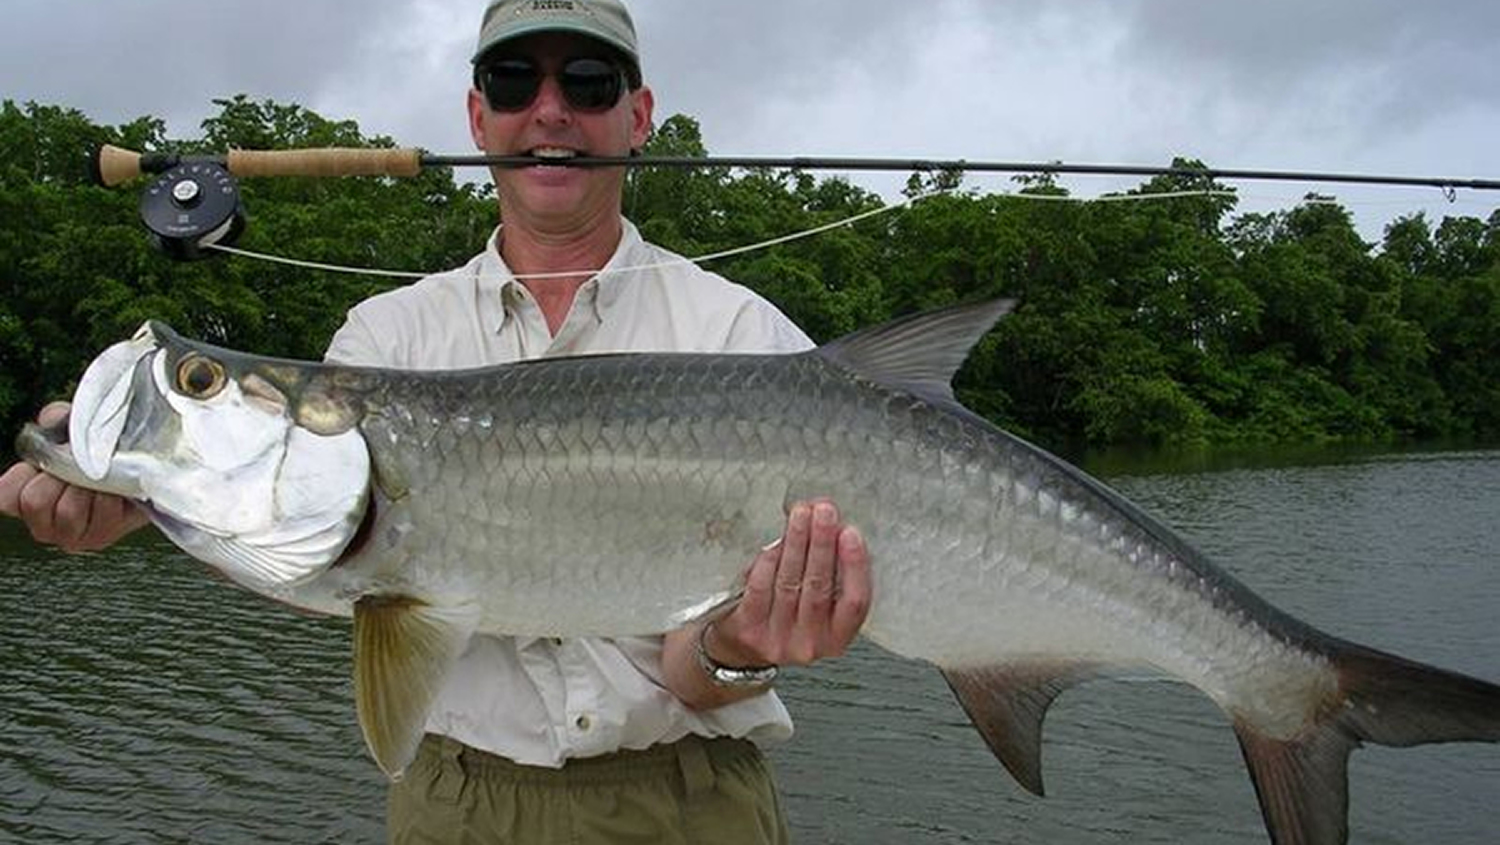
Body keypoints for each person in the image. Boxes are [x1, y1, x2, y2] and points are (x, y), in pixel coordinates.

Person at [0, 1, 872, 842]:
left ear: (639, 115)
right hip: (456, 811)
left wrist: (737, 647)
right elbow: (319, 554)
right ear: (475, 115)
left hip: (694, 807)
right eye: (511, 81)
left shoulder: (742, 336)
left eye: (590, 81)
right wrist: (154, 499)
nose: (549, 109)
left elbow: (699, 670)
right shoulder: (388, 338)